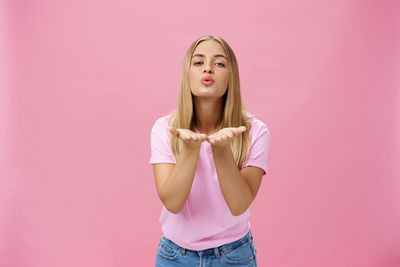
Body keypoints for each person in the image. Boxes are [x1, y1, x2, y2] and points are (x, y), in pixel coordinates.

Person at [149, 34, 270, 267]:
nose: (208, 69)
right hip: (174, 256)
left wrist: (222, 149)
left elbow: (239, 204)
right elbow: (172, 203)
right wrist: (191, 151)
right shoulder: (164, 129)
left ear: (231, 76)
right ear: (188, 73)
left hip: (235, 256)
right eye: (198, 62)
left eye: (219, 63)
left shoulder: (256, 131)